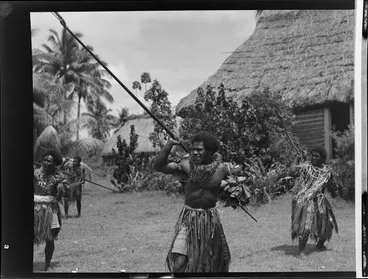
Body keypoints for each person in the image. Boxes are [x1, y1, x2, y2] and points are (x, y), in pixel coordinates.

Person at [153, 131, 232, 272]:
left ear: (210, 151)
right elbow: (158, 166)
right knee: (179, 262)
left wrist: (231, 190)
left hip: (210, 222)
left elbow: (235, 182)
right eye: (193, 149)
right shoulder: (186, 166)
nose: (194, 153)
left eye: (199, 150)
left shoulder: (222, 169)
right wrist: (170, 144)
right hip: (189, 220)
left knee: (215, 264)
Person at [289, 146, 339, 257]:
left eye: (317, 156)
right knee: (306, 225)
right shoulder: (306, 167)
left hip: (320, 201)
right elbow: (292, 172)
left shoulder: (327, 173)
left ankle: (320, 244)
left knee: (328, 224)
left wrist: (335, 190)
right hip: (306, 200)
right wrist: (296, 159)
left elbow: (332, 188)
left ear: (323, 159)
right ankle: (301, 251)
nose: (313, 158)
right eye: (312, 155)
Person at [34, 149, 68, 271]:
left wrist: (61, 187)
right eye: (45, 160)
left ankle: (47, 264)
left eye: (49, 161)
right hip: (36, 209)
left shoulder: (59, 177)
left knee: (50, 238)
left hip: (51, 210)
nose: (46, 163)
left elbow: (65, 194)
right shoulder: (35, 173)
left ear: (55, 164)